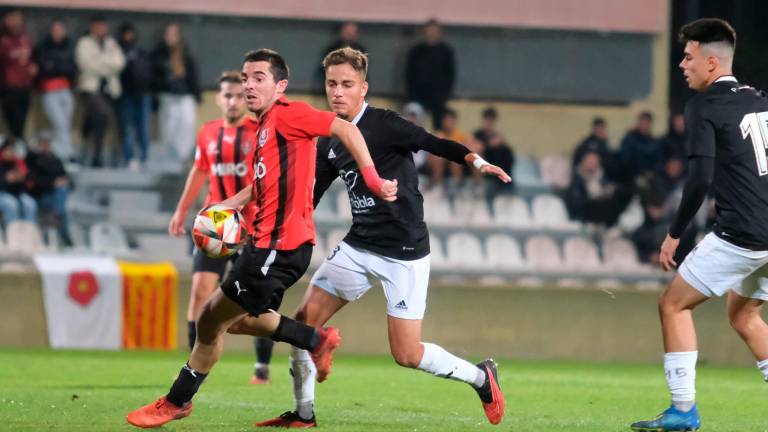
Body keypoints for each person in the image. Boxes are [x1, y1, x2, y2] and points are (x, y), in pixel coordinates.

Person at [125, 48, 397, 429]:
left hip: (278, 247)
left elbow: (347, 128)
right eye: (244, 77)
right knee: (231, 322)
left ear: (280, 85)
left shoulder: (289, 113)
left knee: (208, 319)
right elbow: (262, 183)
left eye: (258, 78)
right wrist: (229, 206)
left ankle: (177, 400)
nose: (248, 85)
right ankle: (312, 340)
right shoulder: (266, 127)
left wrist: (372, 178)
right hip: (266, 244)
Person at [244, 47, 508, 428]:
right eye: (331, 83)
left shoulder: (385, 124)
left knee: (406, 353)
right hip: (358, 246)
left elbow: (435, 143)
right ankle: (303, 414)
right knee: (304, 325)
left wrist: (477, 162)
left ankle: (482, 378)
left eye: (346, 84)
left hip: (404, 252)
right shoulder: (330, 137)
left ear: (363, 88)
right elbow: (309, 195)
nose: (337, 92)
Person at [631, 18, 768, 431]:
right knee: (744, 317)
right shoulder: (759, 100)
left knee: (673, 304)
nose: (682, 65)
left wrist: (674, 235)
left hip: (744, 233)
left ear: (711, 62)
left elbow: (700, 179)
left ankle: (683, 410)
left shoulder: (704, 106)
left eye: (688, 57)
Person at [167, 70, 275, 383]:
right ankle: (193, 366)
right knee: (200, 292)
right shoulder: (208, 132)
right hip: (214, 227)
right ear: (219, 99)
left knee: (256, 300)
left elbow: (267, 177)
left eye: (240, 95)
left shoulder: (260, 131)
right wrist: (181, 211)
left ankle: (262, 366)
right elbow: (199, 171)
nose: (234, 101)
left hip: (252, 227)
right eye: (228, 95)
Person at [75, 14, 125, 167]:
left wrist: (100, 62)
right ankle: (96, 156)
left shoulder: (110, 43)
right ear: (92, 27)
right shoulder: (84, 43)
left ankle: (90, 152)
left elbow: (120, 63)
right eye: (98, 26)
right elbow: (86, 64)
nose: (101, 29)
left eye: (103, 26)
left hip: (109, 90)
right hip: (91, 89)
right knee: (101, 115)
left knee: (96, 121)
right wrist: (107, 66)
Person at [152, 23, 201, 164]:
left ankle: (184, 158)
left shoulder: (185, 53)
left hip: (185, 96)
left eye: (174, 34)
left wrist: (197, 95)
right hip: (168, 96)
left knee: (187, 125)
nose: (170, 38)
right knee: (169, 128)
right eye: (168, 34)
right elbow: (155, 78)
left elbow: (193, 76)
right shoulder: (159, 54)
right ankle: (170, 158)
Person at [34, 19, 77, 161]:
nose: (57, 33)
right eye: (55, 30)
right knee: (60, 122)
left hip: (65, 88)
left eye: (60, 30)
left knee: (66, 122)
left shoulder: (69, 46)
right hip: (49, 89)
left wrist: (56, 66)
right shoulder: (43, 46)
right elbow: (43, 67)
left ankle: (61, 151)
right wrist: (56, 68)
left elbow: (71, 68)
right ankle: (66, 153)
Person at [405, 19, 455, 129]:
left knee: (439, 129)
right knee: (414, 128)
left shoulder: (446, 52)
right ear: (424, 31)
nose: (432, 33)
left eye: (435, 30)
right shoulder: (416, 51)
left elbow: (450, 76)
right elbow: (409, 75)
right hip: (418, 96)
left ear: (440, 32)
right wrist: (412, 96)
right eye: (429, 30)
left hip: (438, 97)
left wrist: (444, 96)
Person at [26, 131, 72, 246]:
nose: (46, 145)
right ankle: (64, 235)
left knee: (62, 191)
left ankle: (58, 214)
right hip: (41, 195)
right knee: (61, 204)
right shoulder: (32, 160)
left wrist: (64, 181)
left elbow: (67, 178)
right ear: (38, 144)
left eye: (48, 143)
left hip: (55, 195)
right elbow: (34, 182)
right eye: (43, 142)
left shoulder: (56, 160)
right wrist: (53, 183)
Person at [116, 22, 152, 170]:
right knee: (126, 127)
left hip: (142, 94)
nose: (128, 37)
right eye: (125, 34)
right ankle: (129, 157)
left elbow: (149, 73)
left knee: (143, 127)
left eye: (130, 34)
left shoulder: (141, 52)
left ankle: (144, 157)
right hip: (125, 94)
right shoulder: (116, 52)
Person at [0, 8, 36, 142]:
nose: (16, 22)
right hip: (8, 86)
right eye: (12, 19)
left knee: (22, 119)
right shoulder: (3, 39)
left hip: (25, 85)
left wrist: (33, 66)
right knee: (11, 120)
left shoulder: (25, 38)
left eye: (18, 19)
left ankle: (19, 145)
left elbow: (33, 57)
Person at [0, 139, 36, 224]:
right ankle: (13, 233)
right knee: (11, 204)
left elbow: (25, 186)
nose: (10, 152)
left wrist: (20, 180)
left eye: (12, 149)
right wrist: (6, 180)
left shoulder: (16, 164)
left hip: (16, 193)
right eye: (8, 150)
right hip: (2, 194)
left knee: (30, 204)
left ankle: (29, 232)